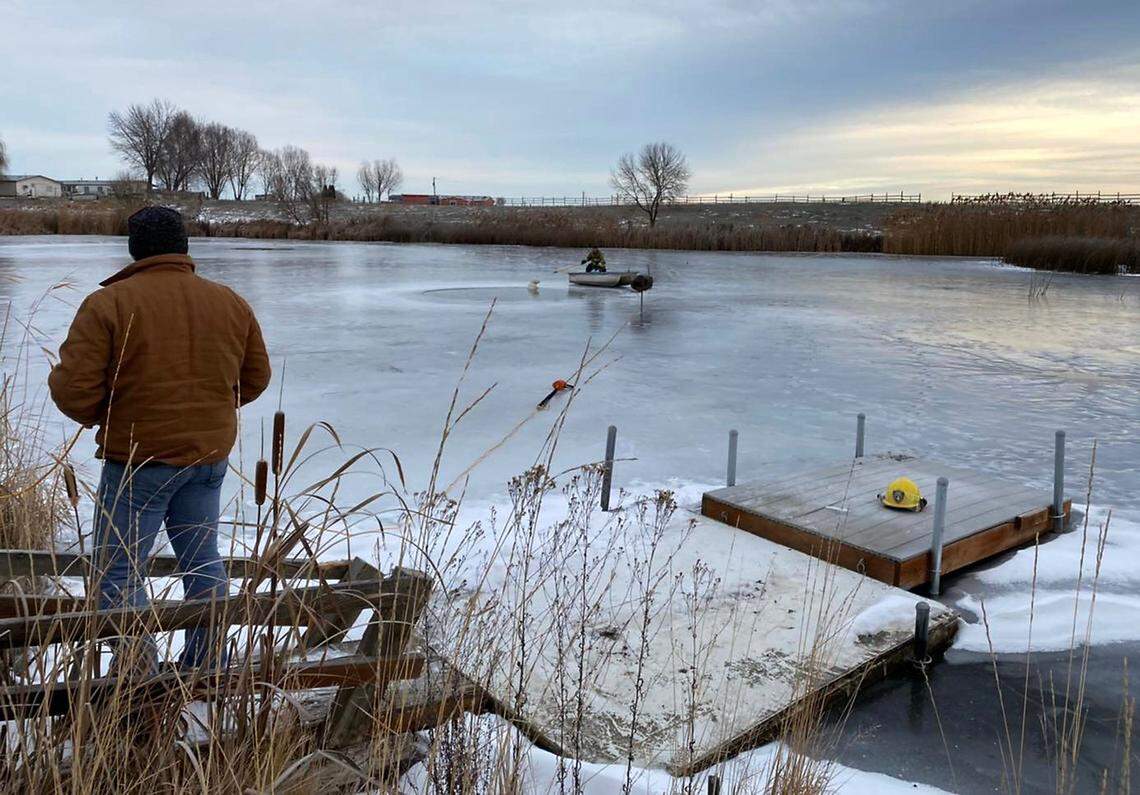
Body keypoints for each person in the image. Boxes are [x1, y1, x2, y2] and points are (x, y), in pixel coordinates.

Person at [48, 206, 271, 673]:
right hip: (207, 460)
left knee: (117, 572)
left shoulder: (108, 304)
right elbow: (255, 379)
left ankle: (137, 676)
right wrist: (210, 409)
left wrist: (108, 413)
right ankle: (205, 667)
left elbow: (74, 392)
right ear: (184, 246)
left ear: (134, 249)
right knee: (203, 563)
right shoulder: (229, 302)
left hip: (137, 461)